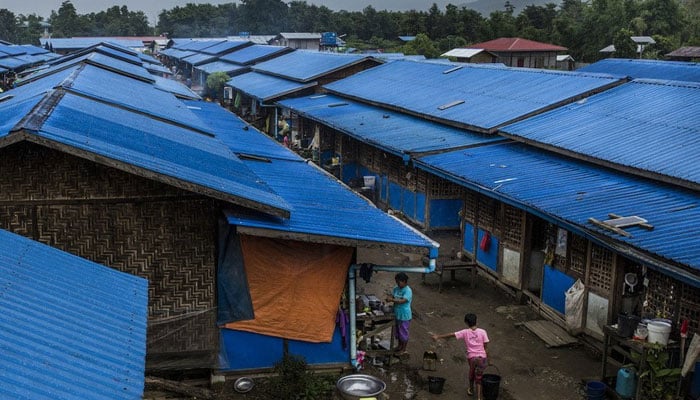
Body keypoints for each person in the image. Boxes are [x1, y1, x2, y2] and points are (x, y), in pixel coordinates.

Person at [432, 313, 489, 400]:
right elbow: (486, 347)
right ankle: (479, 398)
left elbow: (452, 334)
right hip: (482, 357)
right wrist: (489, 359)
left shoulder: (465, 332)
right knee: (479, 377)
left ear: (466, 322)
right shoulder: (483, 332)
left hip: (472, 358)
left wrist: (438, 336)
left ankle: (471, 389)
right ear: (476, 321)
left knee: (472, 373)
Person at [385, 272, 412, 355]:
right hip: (396, 313)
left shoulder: (408, 290)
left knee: (403, 332)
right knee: (397, 331)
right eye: (396, 282)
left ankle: (403, 349)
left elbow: (402, 301)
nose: (397, 283)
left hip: (404, 315)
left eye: (399, 282)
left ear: (404, 281)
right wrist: (389, 297)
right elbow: (393, 296)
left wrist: (392, 300)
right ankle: (399, 346)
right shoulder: (396, 288)